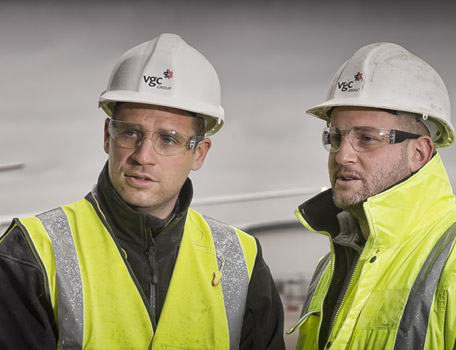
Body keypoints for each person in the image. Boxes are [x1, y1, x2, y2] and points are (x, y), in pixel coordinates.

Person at [0, 33, 285, 350]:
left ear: (199, 153)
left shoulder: (239, 260)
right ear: (108, 136)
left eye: (168, 139)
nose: (143, 155)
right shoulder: (31, 251)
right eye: (130, 132)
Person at [287, 42, 456, 349]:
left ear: (419, 152)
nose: (342, 156)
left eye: (366, 138)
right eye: (335, 138)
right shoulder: (330, 266)